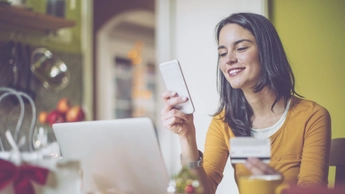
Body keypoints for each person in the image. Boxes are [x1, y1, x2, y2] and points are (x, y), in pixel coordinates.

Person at [160, 12, 331, 193]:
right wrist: (186, 137)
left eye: (241, 48)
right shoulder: (223, 122)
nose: (229, 59)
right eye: (222, 53)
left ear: (267, 51)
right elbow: (203, 191)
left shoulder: (312, 116)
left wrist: (275, 186)